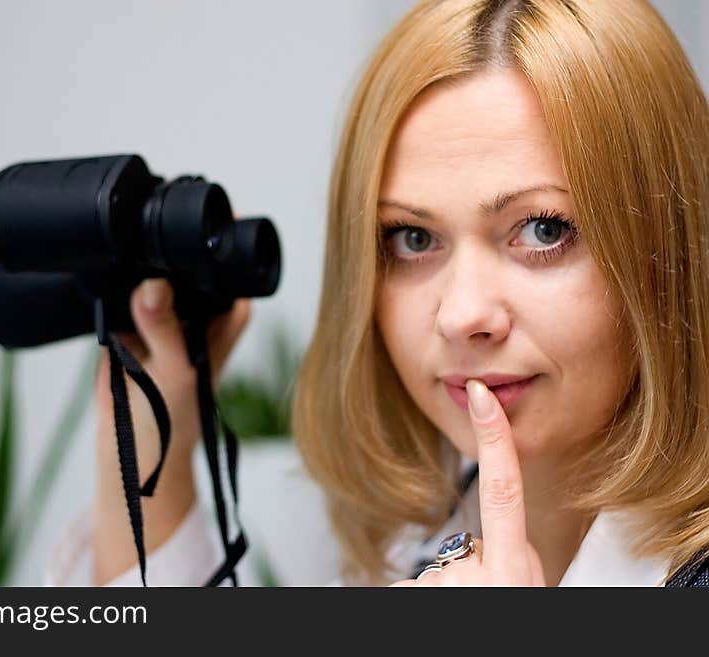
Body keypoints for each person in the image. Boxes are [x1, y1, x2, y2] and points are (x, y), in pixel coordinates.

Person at [47, 0, 709, 587]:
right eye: (413, 239)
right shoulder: (414, 544)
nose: (462, 314)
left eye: (543, 229)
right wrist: (144, 434)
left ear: (673, 248)